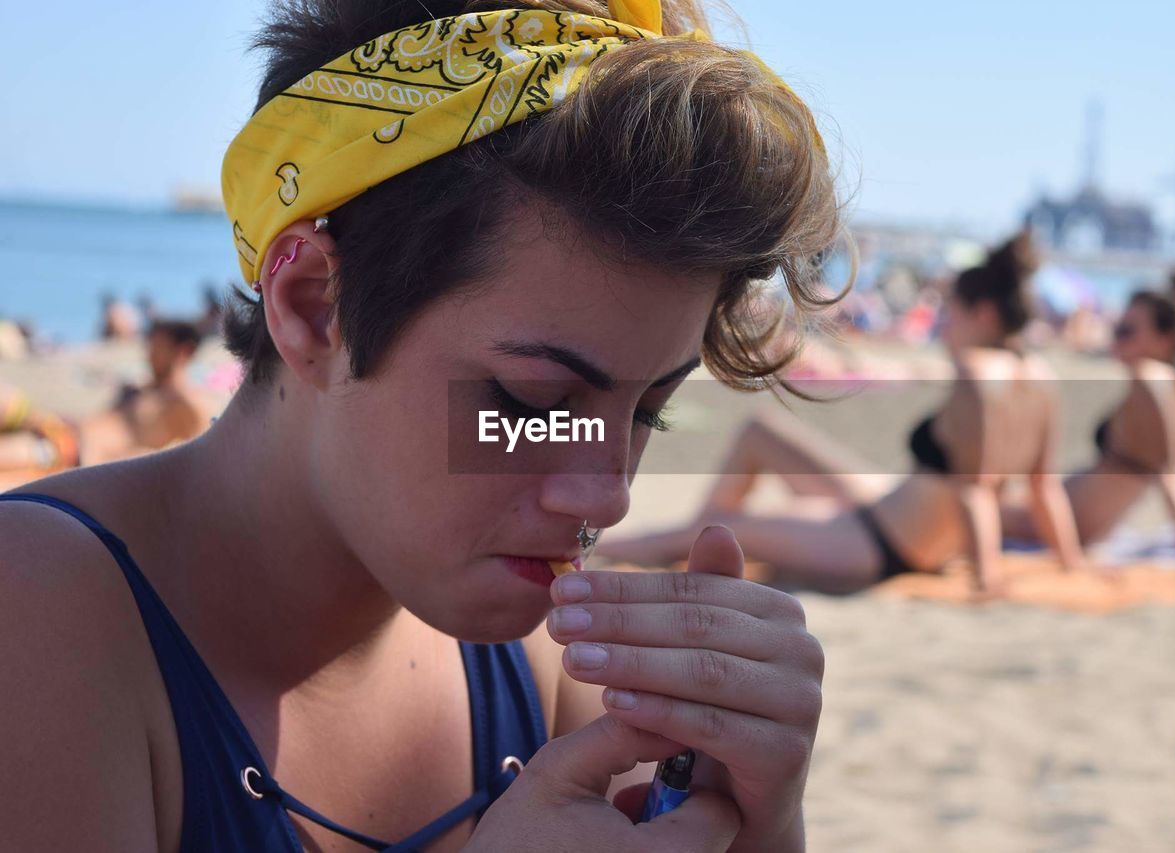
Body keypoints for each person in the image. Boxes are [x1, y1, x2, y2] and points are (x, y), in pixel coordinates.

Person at [0, 1, 835, 851]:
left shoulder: (548, 660)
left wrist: (761, 822)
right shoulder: (38, 613)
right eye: (531, 403)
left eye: (649, 407)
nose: (608, 494)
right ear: (314, 307)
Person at [599, 230, 1088, 596]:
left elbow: (974, 490)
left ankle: (651, 548)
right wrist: (1072, 564)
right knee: (760, 430)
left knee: (719, 531)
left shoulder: (977, 373)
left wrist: (988, 579)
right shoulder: (1040, 376)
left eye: (950, 311)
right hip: (893, 508)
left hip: (885, 542)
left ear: (982, 315)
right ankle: (690, 548)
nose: (943, 324)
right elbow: (1043, 487)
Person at [1002, 270, 1175, 557]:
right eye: (1117, 327)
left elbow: (1169, 473)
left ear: (1166, 340)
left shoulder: (1150, 379)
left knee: (980, 503)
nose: (1116, 337)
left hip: (1066, 520)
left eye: (1127, 331)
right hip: (1076, 516)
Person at [0, 319, 208, 474]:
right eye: (150, 345)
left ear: (184, 351)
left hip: (70, 452)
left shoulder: (186, 403)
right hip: (59, 425)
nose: (149, 353)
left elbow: (198, 463)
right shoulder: (141, 387)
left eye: (157, 347)